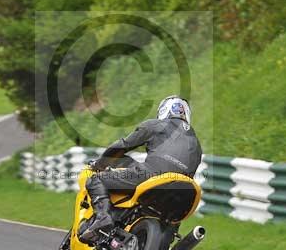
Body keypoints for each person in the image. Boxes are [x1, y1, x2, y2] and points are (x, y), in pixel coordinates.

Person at [80, 95, 203, 242]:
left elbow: (122, 146)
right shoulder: (196, 144)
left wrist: (99, 164)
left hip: (152, 176)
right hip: (185, 191)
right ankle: (168, 237)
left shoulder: (156, 125)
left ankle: (103, 218)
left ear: (164, 111)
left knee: (96, 180)